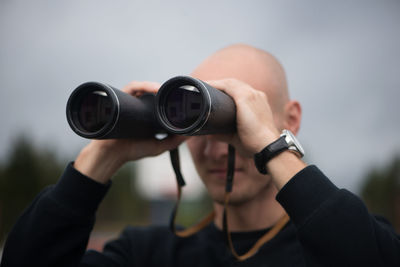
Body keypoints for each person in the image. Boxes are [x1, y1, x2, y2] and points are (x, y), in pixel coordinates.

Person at [1, 44, 399, 266]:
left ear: (289, 118)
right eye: (196, 127)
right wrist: (103, 154)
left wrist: (271, 148)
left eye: (233, 122)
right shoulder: (146, 255)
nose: (214, 147)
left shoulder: (345, 242)